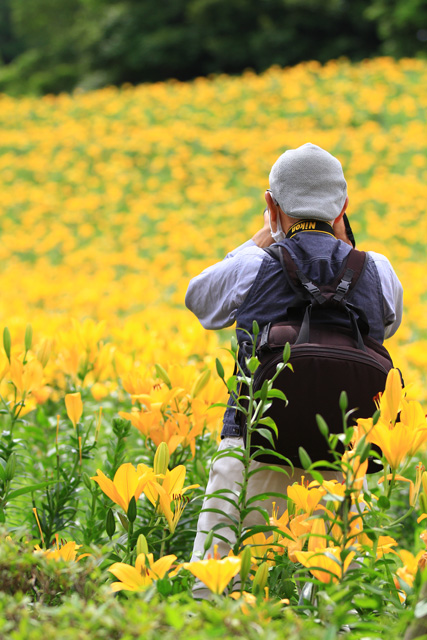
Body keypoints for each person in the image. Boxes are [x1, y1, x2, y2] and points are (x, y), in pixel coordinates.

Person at [185, 142, 403, 596]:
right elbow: (388, 323)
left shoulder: (252, 265)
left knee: (216, 594)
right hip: (340, 460)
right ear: (343, 207)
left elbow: (199, 299)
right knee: (326, 599)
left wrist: (262, 239)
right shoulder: (379, 271)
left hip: (252, 450)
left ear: (271, 205)